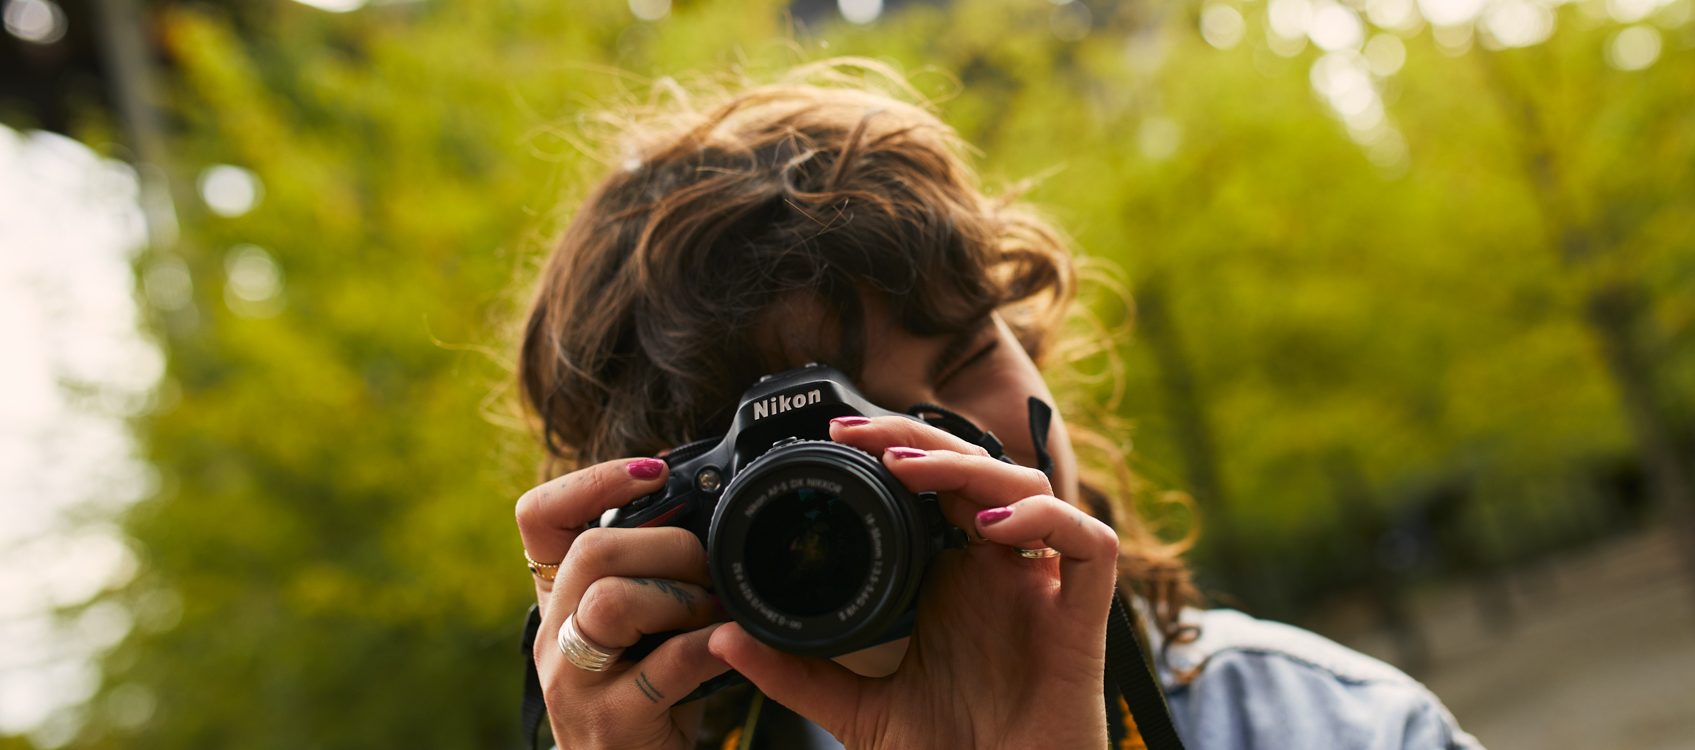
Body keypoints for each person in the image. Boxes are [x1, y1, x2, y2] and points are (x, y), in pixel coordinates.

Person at [510, 59, 1482, 750]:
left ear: (1037, 343)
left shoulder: (1329, 727)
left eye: (972, 354)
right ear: (691, 523)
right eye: (830, 455)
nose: (944, 447)